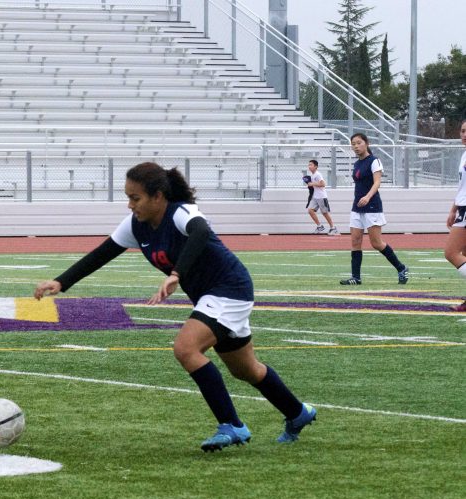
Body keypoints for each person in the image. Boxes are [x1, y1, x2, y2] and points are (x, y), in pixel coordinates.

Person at [34, 162, 316, 452]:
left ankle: (232, 425)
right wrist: (61, 282)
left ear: (158, 196)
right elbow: (103, 253)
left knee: (185, 348)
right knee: (246, 370)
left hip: (229, 289)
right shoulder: (135, 224)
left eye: (135, 198)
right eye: (128, 197)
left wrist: (176, 274)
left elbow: (201, 233)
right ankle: (298, 413)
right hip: (212, 295)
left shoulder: (181, 212)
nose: (130, 205)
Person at [340, 132, 409, 285]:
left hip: (372, 206)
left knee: (376, 243)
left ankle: (401, 267)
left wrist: (368, 197)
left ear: (366, 143)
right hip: (357, 207)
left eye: (359, 143)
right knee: (355, 241)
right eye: (353, 144)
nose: (356, 146)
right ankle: (356, 278)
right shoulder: (357, 163)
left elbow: (377, 182)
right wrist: (360, 199)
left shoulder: (374, 161)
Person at [444, 118, 466, 311]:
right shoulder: (464, 155)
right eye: (462, 131)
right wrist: (454, 208)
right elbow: (462, 187)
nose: (464, 134)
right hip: (463, 207)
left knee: (451, 253)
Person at [304, 159, 338, 235]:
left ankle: (333, 228)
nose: (309, 166)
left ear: (316, 166)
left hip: (322, 196)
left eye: (311, 165)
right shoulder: (312, 175)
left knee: (325, 213)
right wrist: (310, 185)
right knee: (310, 210)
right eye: (308, 165)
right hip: (315, 196)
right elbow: (315, 185)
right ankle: (319, 226)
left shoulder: (318, 174)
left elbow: (323, 184)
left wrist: (312, 184)